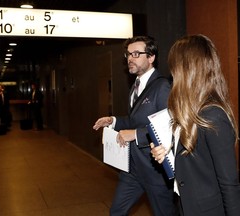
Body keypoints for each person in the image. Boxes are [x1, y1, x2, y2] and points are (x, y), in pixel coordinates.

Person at [150, 34, 240, 216]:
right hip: (186, 203)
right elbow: (197, 156)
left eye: (175, 67)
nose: (172, 73)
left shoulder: (213, 115)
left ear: (187, 70)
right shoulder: (189, 109)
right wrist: (168, 151)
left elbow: (229, 183)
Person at [93, 36, 176, 215]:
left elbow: (170, 127)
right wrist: (113, 121)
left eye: (136, 54)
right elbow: (134, 121)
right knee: (116, 211)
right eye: (128, 54)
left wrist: (136, 135)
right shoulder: (135, 86)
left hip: (155, 170)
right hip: (133, 169)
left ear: (151, 57)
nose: (130, 58)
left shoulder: (162, 87)